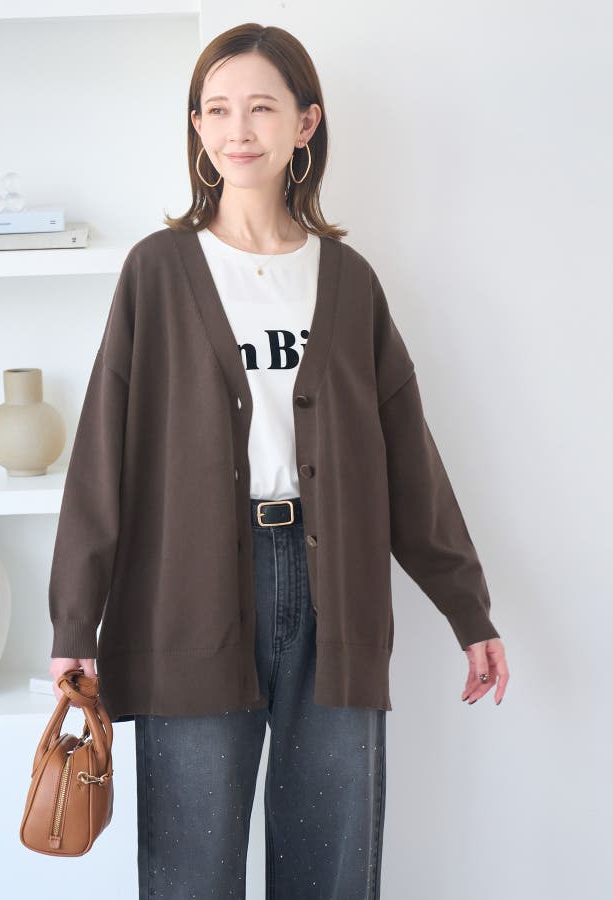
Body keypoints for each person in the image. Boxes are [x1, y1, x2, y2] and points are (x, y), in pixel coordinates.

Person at [49, 22, 509, 900]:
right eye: (216, 110)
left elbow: (409, 461)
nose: (238, 130)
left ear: (305, 123)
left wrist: (468, 609)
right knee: (191, 871)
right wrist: (76, 621)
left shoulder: (348, 280)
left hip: (335, 595)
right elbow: (101, 456)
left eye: (261, 108)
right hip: (189, 596)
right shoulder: (158, 272)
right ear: (196, 127)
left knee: (332, 871)